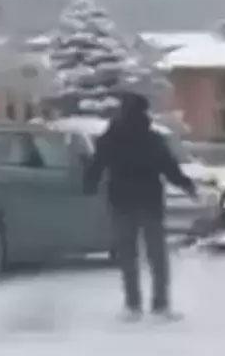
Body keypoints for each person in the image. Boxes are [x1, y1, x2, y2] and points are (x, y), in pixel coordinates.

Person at [84, 92, 197, 321]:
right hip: (150, 202)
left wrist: (89, 184)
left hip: (121, 202)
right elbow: (169, 166)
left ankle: (132, 305)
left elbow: (97, 165)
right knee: (157, 256)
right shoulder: (152, 139)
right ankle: (160, 305)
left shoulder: (110, 138)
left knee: (128, 256)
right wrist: (186, 185)